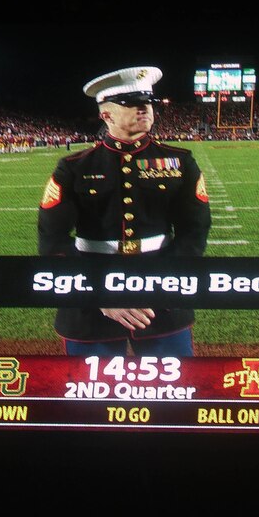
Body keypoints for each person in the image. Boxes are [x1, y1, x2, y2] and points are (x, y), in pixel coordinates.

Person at [38, 66, 211, 356]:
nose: (144, 109)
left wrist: (164, 284)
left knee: (174, 390)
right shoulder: (74, 167)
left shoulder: (179, 161)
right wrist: (98, 293)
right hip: (90, 300)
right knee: (89, 393)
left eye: (147, 103)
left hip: (161, 297)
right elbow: (52, 239)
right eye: (131, 103)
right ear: (107, 115)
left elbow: (194, 230)